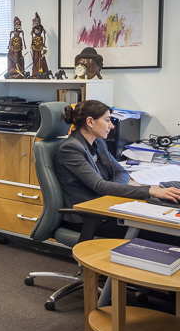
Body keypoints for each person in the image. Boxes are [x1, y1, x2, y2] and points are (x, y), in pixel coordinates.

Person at [54, 100, 180, 239]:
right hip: (88, 218)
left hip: (106, 207)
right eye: (107, 120)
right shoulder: (70, 148)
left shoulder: (98, 142)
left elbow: (121, 172)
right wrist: (150, 191)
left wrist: (113, 188)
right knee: (165, 232)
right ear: (90, 121)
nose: (112, 126)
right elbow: (100, 186)